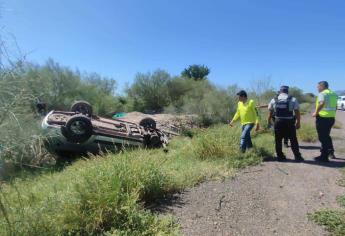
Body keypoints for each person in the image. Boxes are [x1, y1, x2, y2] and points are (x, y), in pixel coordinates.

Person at [268, 86, 304, 162]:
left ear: (280, 91)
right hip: (289, 122)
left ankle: (280, 156)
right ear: (287, 91)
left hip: (278, 122)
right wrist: (298, 122)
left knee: (278, 139)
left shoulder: (274, 100)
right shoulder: (293, 99)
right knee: (293, 139)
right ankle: (297, 156)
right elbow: (297, 112)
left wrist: (269, 121)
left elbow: (270, 112)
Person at [312, 81, 338, 162]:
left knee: (322, 137)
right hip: (331, 118)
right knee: (326, 136)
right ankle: (331, 152)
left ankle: (324, 157)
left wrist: (315, 112)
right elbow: (336, 106)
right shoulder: (333, 94)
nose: (317, 88)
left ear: (322, 86)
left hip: (323, 118)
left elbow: (321, 103)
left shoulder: (322, 94)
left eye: (318, 87)